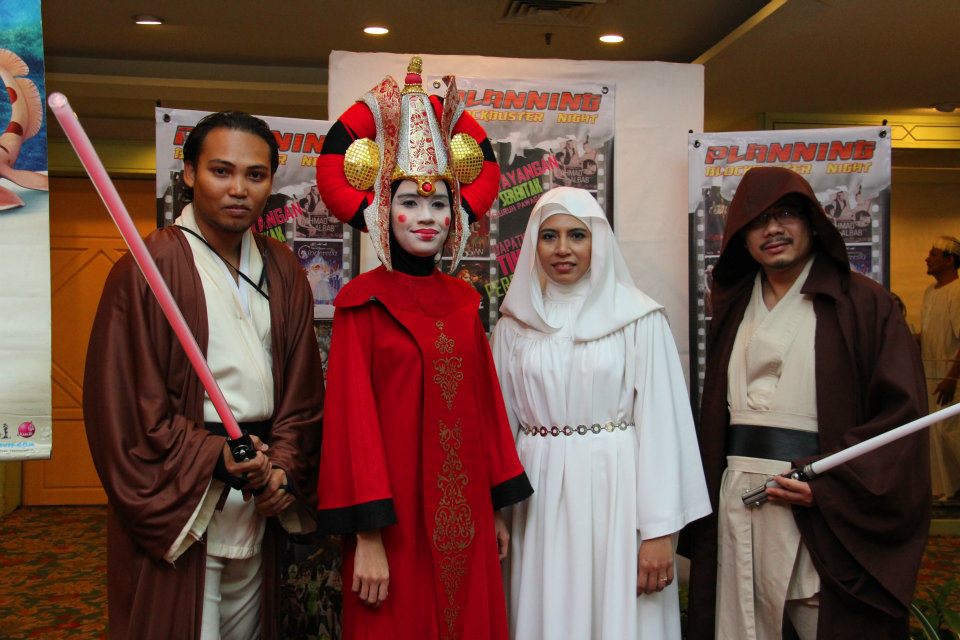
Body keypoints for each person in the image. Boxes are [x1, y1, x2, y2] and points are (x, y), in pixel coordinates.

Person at [83, 111, 325, 640]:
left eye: (255, 175)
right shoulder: (147, 269)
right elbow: (124, 408)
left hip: (257, 495)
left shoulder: (283, 269)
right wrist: (212, 457)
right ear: (190, 173)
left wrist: (283, 470)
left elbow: (303, 395)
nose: (239, 189)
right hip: (186, 498)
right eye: (221, 171)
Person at [314, 57, 533, 640]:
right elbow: (352, 426)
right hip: (394, 522)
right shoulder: (362, 302)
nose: (426, 218)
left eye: (438, 204)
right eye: (409, 202)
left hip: (465, 512)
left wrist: (495, 508)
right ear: (382, 209)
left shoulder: (463, 300)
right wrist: (367, 536)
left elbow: (486, 410)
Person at [683, 167, 930, 639]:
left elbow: (901, 420)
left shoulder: (863, 303)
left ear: (813, 223)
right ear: (741, 238)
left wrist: (832, 486)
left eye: (786, 215)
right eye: (757, 221)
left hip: (818, 504)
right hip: (739, 496)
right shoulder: (734, 307)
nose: (772, 230)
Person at [491, 186, 711, 640]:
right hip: (535, 497)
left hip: (618, 492)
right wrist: (494, 509)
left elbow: (663, 427)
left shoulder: (638, 318)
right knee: (546, 610)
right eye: (549, 236)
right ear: (533, 243)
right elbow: (496, 427)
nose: (563, 249)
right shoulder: (513, 326)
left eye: (577, 235)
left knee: (620, 613)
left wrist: (658, 532)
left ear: (599, 241)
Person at [920, 235, 960, 500]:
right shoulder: (929, 292)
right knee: (935, 433)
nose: (927, 259)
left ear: (949, 260)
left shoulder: (957, 292)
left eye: (933, 254)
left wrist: (952, 378)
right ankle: (944, 490)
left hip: (952, 380)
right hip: (932, 378)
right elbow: (929, 335)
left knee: (950, 433)